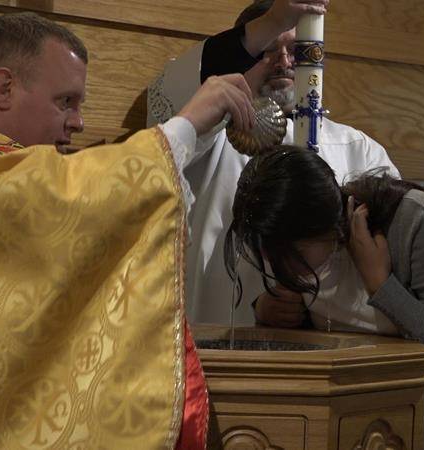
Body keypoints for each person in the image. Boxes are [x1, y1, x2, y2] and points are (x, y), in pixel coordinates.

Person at [0, 12, 257, 449]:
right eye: (66, 102)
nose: (79, 122)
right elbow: (63, 195)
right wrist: (186, 125)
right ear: (4, 88)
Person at [224, 147, 424, 449]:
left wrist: (382, 287)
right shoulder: (287, 247)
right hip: (359, 421)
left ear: (327, 227)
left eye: (291, 255)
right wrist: (269, 315)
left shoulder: (416, 221)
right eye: (268, 255)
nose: (280, 268)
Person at [147, 0, 400, 326]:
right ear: (239, 57)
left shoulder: (359, 150)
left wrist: (310, 298)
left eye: (297, 50)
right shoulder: (208, 135)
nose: (283, 61)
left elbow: (384, 257)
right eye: (267, 49)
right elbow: (167, 100)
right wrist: (253, 308)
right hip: (223, 343)